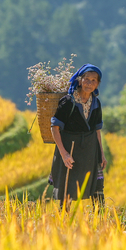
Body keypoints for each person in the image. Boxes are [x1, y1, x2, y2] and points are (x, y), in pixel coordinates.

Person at [49, 63, 107, 206]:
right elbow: (55, 128)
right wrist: (64, 153)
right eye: (86, 79)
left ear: (97, 84)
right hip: (70, 148)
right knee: (67, 186)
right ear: (79, 81)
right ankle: (64, 222)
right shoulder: (68, 101)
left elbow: (97, 130)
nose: (89, 83)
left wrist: (101, 154)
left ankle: (100, 221)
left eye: (94, 80)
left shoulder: (96, 103)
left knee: (96, 186)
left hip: (90, 148)